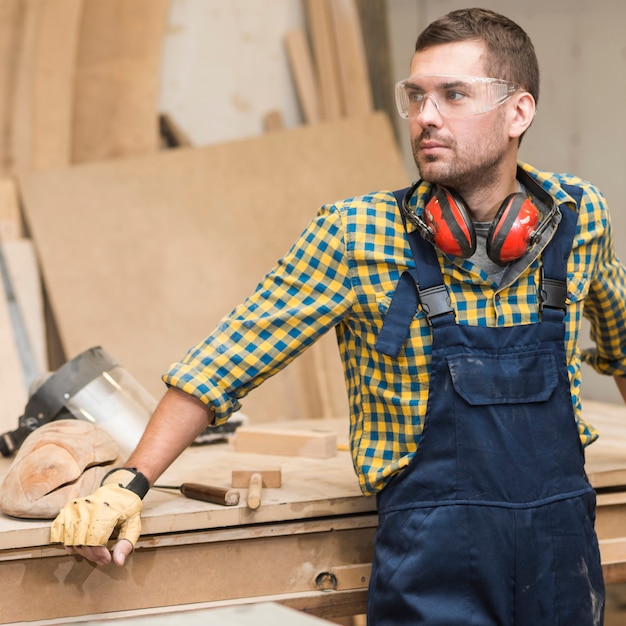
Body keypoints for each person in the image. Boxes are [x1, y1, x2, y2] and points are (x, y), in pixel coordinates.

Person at [50, 8, 626, 625]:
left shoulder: (579, 217)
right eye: (417, 96)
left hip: (560, 562)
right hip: (436, 573)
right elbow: (225, 361)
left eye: (454, 95)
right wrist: (127, 482)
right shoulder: (357, 234)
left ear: (519, 112)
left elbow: (621, 347)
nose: (426, 117)